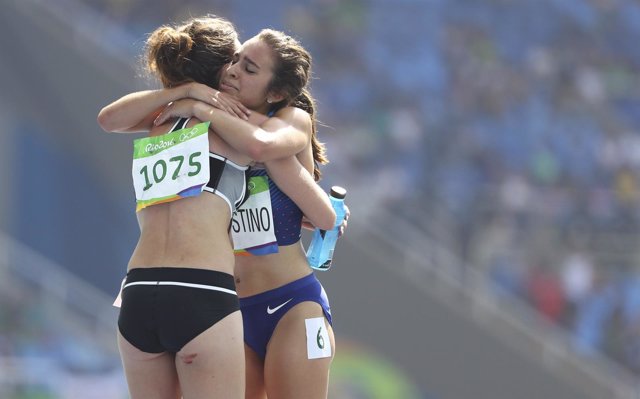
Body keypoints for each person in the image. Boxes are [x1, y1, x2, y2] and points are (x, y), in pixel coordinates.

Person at [100, 28, 346, 399]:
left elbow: (320, 215)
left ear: (276, 92)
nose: (233, 71)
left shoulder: (288, 120)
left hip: (291, 302)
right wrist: (186, 95)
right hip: (227, 303)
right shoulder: (210, 121)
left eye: (248, 69)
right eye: (234, 61)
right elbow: (111, 118)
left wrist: (200, 107)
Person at [98, 15, 253, 399]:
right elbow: (281, 139)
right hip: (200, 290)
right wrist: (192, 95)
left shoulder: (160, 123)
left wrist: (183, 95)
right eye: (238, 62)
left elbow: (109, 118)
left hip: (139, 291)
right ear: (224, 69)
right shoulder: (235, 124)